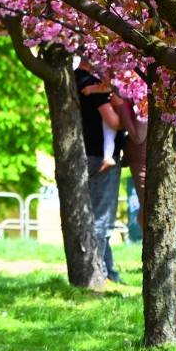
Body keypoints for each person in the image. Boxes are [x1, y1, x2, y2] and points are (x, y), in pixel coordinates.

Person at [75, 67, 123, 282]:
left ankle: (108, 269)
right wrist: (130, 115)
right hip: (99, 156)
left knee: (97, 215)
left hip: (87, 153)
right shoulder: (89, 81)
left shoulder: (75, 79)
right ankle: (99, 271)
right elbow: (113, 121)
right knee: (102, 217)